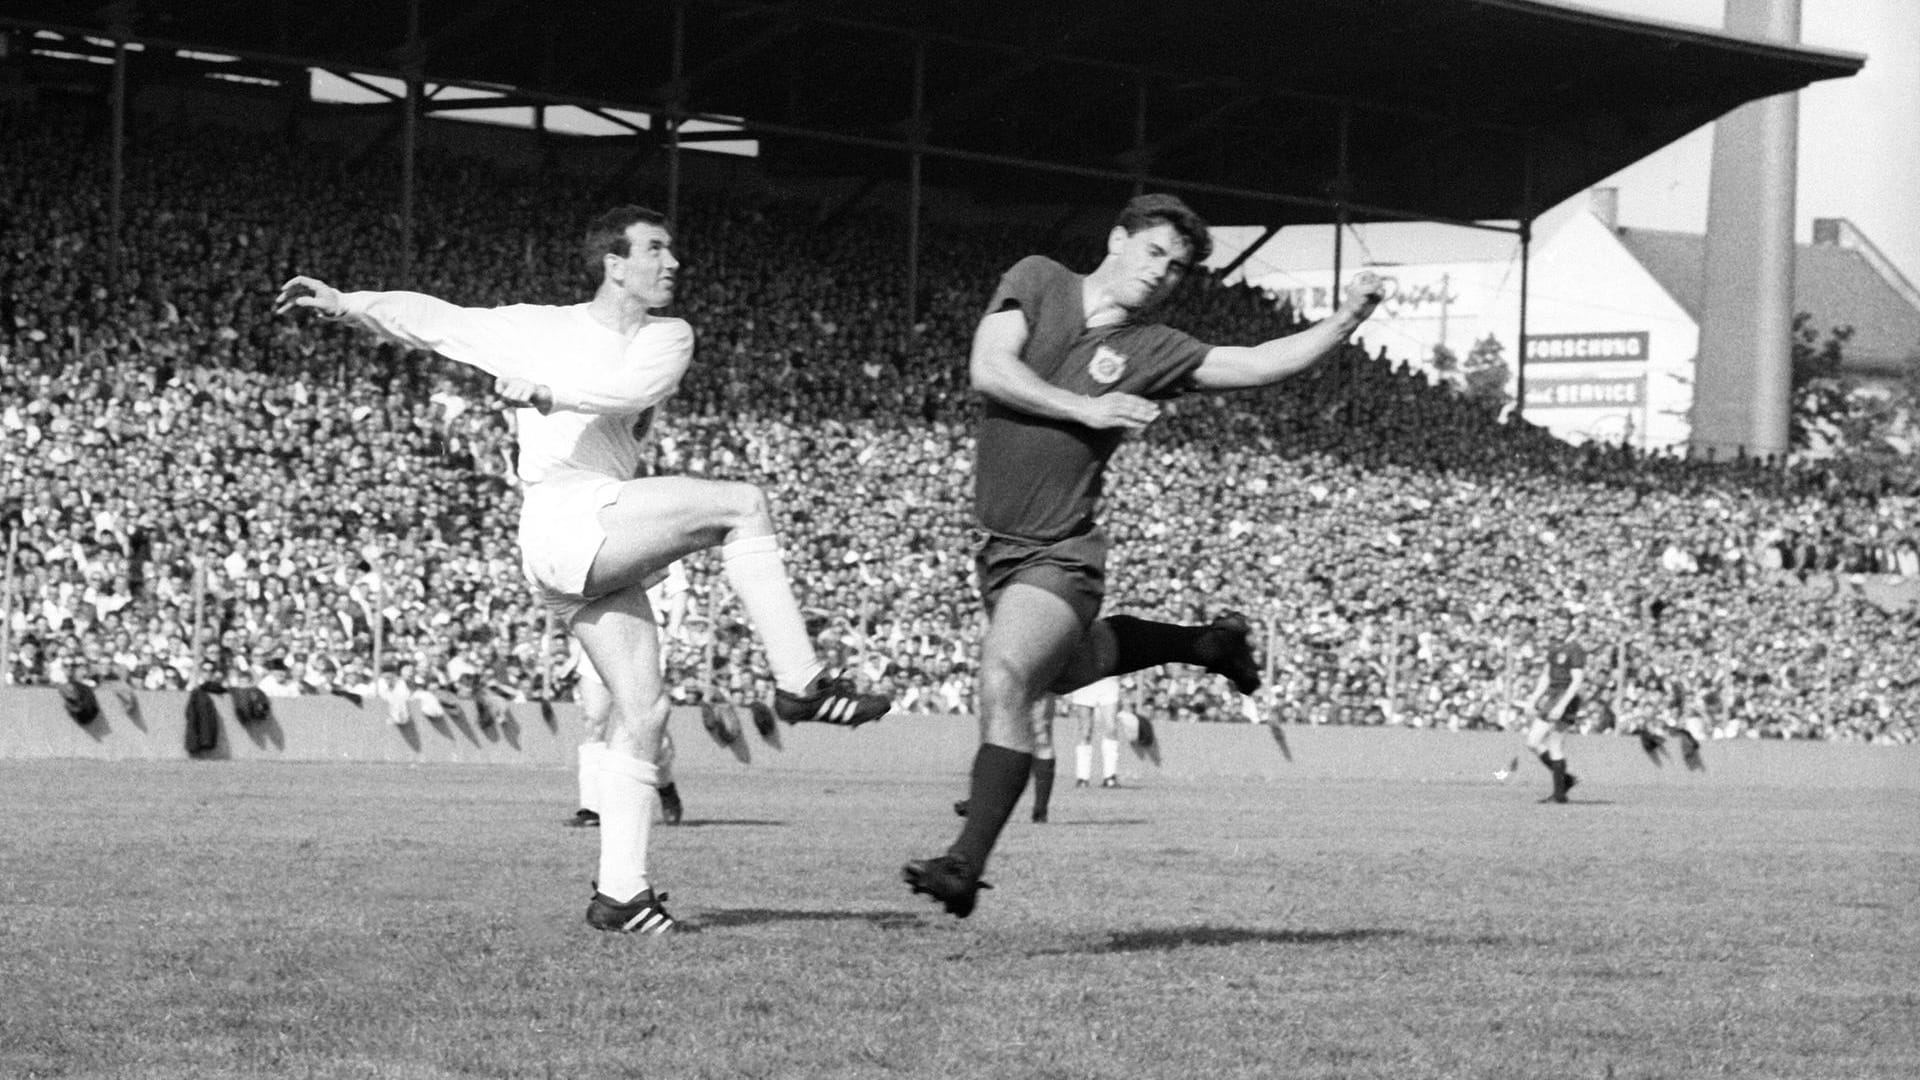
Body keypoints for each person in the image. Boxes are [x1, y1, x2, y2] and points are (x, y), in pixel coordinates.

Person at [275, 205, 890, 935]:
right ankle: (800, 684)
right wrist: (350, 305)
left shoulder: (669, 335)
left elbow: (629, 393)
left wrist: (544, 392)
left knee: (644, 713)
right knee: (742, 503)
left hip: (590, 535)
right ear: (614, 263)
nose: (673, 263)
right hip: (564, 514)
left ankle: (621, 895)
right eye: (656, 250)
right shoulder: (539, 327)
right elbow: (438, 320)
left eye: (671, 250)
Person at [902, 193, 1383, 918]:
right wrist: (1088, 409)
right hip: (998, 552)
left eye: (1178, 268)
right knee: (1070, 668)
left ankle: (963, 866)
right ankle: (1207, 642)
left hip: (1060, 552)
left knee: (1005, 677)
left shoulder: (1153, 348)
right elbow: (988, 368)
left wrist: (1345, 321)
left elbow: (1255, 363)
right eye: (1154, 253)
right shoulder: (1038, 280)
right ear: (1117, 238)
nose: (1162, 274)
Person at [566, 560, 689, 829]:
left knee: (643, 723)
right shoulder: (603, 536)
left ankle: (665, 784)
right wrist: (575, 648)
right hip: (600, 631)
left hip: (642, 638)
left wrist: (674, 632)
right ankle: (592, 807)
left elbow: (679, 590)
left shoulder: (662, 538)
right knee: (593, 719)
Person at [1523, 609, 1585, 804]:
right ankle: (1565, 780)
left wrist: (1562, 705)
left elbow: (1577, 681)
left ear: (1569, 627)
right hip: (1553, 695)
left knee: (1553, 744)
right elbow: (1545, 675)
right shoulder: (1554, 647)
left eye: (1563, 626)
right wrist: (1533, 698)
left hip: (1566, 696)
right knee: (1533, 742)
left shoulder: (1575, 649)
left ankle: (1560, 794)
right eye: (1557, 625)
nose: (1560, 629)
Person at [1068, 674, 1123, 789]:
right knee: (1085, 731)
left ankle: (1110, 777)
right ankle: (1082, 778)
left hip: (1108, 680)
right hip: (1085, 681)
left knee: (1111, 727)